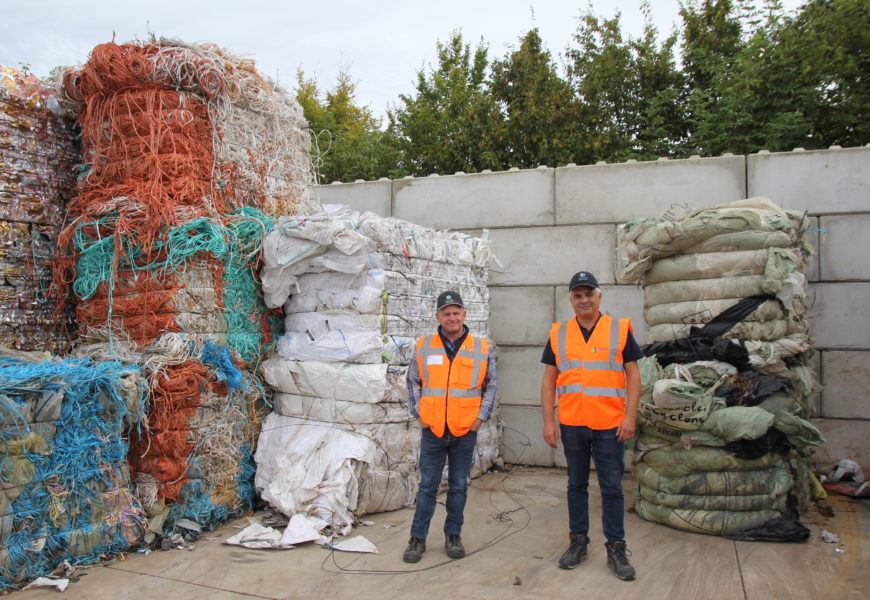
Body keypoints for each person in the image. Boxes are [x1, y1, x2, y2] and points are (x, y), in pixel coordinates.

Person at [539, 271, 642, 581]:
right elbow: (549, 379)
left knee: (612, 488)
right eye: (577, 295)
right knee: (576, 485)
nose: (584, 300)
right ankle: (578, 541)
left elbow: (633, 375)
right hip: (572, 423)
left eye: (589, 294)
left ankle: (616, 548)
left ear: (600, 296)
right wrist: (548, 420)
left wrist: (630, 416)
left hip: (610, 424)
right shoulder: (559, 333)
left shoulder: (619, 329)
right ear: (571, 300)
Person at [403, 290, 497, 563]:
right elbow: (412, 382)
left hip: (464, 430)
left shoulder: (481, 347)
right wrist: (420, 414)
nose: (452, 318)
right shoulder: (424, 345)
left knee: (458, 486)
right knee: (427, 486)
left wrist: (479, 419)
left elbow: (490, 384)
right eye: (447, 313)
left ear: (464, 315)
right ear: (438, 317)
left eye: (457, 313)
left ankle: (453, 536)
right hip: (432, 429)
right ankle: (417, 539)